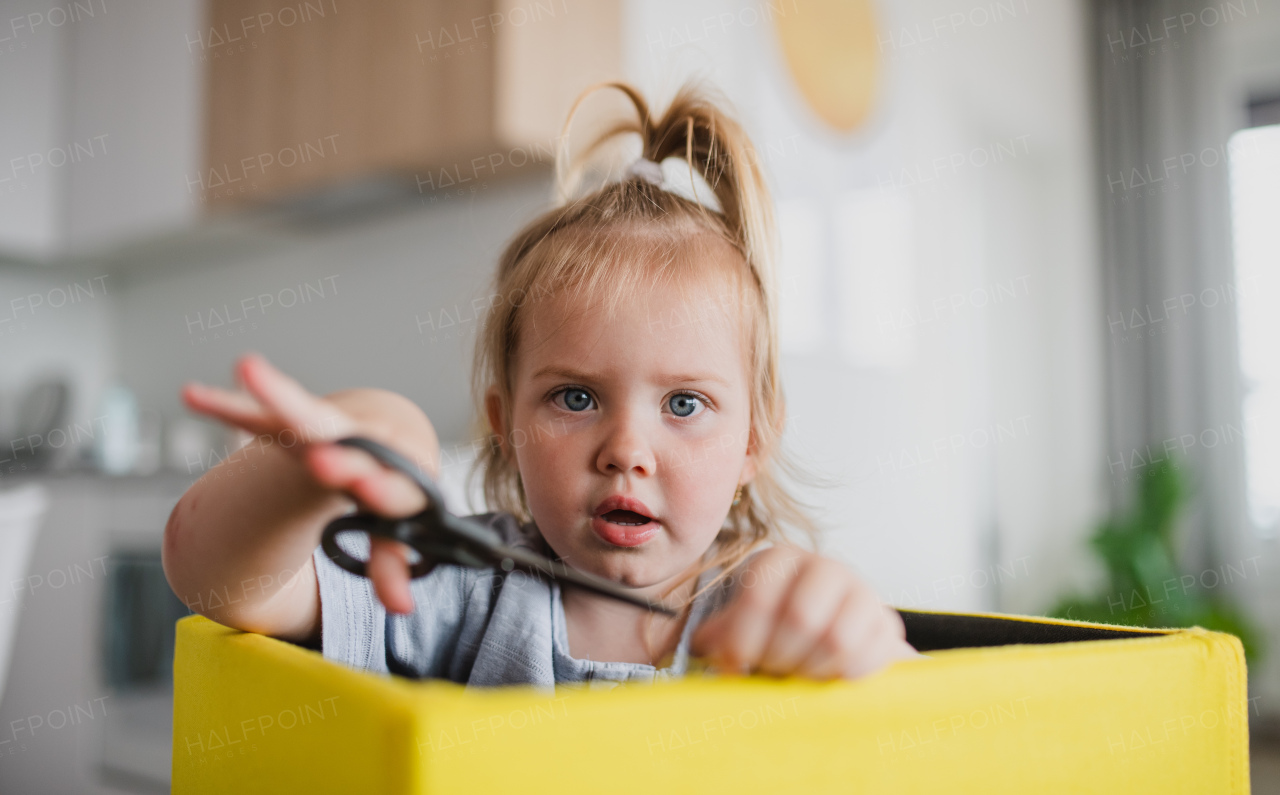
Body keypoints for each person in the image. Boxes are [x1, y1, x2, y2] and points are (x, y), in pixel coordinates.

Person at [162, 81, 918, 689]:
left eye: (684, 403)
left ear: (754, 438)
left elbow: (891, 695)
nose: (627, 451)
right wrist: (332, 455)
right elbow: (220, 584)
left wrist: (838, 626)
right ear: (503, 421)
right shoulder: (466, 586)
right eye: (576, 397)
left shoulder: (758, 598)